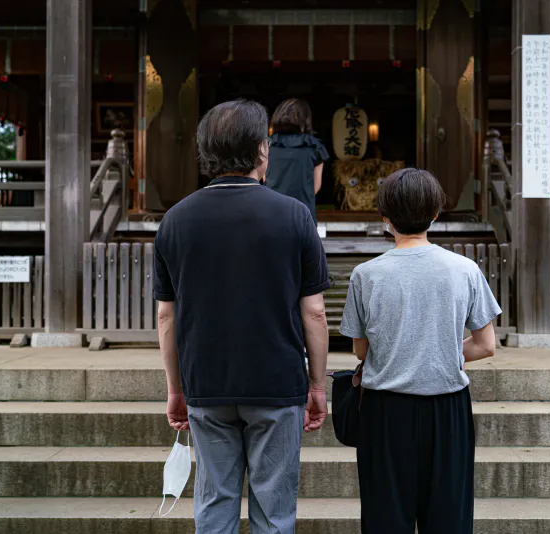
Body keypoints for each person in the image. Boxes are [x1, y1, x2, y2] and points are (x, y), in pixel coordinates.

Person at [154, 99, 331, 534]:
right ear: (261, 151)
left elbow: (165, 317)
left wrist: (176, 388)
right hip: (276, 381)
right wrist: (317, 384)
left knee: (214, 503)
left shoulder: (175, 221)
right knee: (274, 510)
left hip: (206, 382)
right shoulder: (294, 216)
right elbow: (315, 311)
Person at [339, 168, 501, 534]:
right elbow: (486, 345)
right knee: (448, 519)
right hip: (448, 409)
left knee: (385, 518)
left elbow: (361, 350)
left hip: (385, 410)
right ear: (435, 215)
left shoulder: (366, 275)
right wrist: (444, 350)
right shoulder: (465, 270)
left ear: (385, 219)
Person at [266, 98, 329, 224]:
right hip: (303, 214)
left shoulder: (266, 145)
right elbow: (315, 187)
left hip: (272, 213)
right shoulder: (314, 146)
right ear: (306, 119)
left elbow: (264, 180)